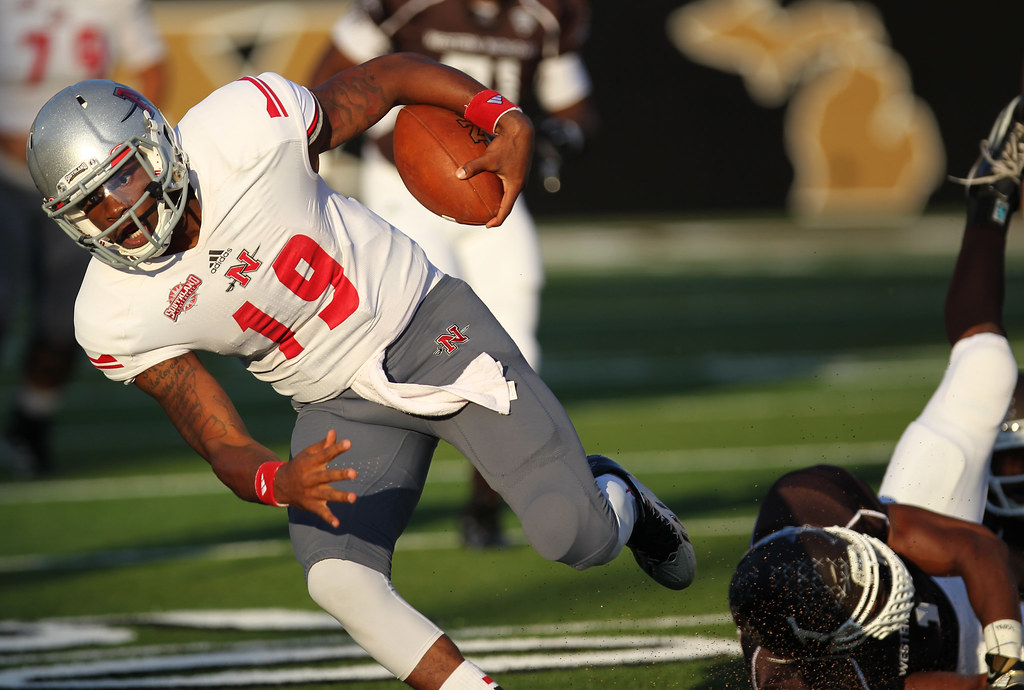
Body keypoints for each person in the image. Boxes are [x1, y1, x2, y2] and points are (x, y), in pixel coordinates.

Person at [24, 54, 695, 689]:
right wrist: (278, 480)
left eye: (117, 180)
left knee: (575, 538)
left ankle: (620, 497)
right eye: (87, 205)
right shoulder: (114, 313)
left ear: (155, 147)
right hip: (336, 405)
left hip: (431, 328)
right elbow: (216, 436)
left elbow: (391, 77)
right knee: (338, 580)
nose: (113, 213)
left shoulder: (243, 129)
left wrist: (500, 114)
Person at [728, 94, 1024, 688]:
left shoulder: (816, 506)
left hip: (945, 583)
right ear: (829, 641)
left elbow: (976, 552)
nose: (892, 589)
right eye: (875, 599)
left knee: (988, 368)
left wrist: (1008, 663)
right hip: (944, 659)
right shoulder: (807, 679)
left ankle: (989, 197)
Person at [309, 0, 598, 547]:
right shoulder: (404, 7)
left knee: (516, 341)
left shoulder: (546, 13)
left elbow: (576, 110)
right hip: (406, 184)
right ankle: (363, 499)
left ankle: (483, 505)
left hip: (493, 192)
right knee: (414, 339)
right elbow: (324, 87)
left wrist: (559, 137)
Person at [0, 0, 167, 477]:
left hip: (81, 186)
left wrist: (131, 143)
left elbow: (152, 66)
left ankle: (31, 426)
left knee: (64, 318)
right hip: (3, 174)